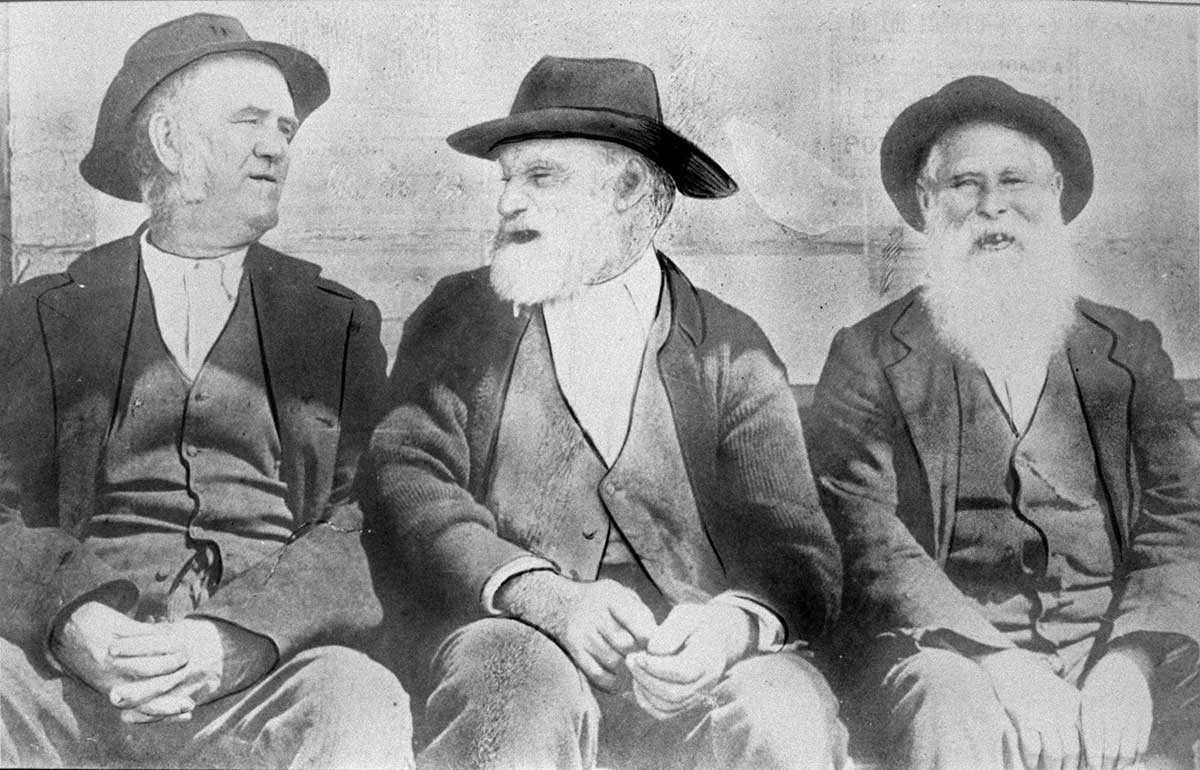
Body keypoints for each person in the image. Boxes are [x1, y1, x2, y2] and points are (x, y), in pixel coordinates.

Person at [364, 56, 846, 770]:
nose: (508, 204)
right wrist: (537, 591)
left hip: (697, 656)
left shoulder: (730, 348)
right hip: (514, 631)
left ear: (627, 190)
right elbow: (407, 479)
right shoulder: (460, 317)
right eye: (508, 179)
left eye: (541, 178)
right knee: (512, 697)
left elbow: (799, 556)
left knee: (781, 716)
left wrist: (729, 629)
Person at [0, 14, 412, 768]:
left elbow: (368, 520)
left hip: (265, 678)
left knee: (361, 701)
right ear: (168, 140)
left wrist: (241, 636)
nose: (278, 147)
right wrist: (71, 620)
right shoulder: (39, 315)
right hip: (73, 682)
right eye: (249, 121)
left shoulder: (337, 324)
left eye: (286, 129)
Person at [807, 75, 1200, 770]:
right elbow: (866, 539)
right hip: (954, 654)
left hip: (1113, 643)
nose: (993, 207)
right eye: (963, 184)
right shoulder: (869, 355)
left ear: (1053, 197)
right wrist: (1004, 668)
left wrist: (1131, 662)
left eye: (1015, 180)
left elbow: (1183, 516)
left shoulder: (1127, 349)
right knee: (947, 700)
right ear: (926, 205)